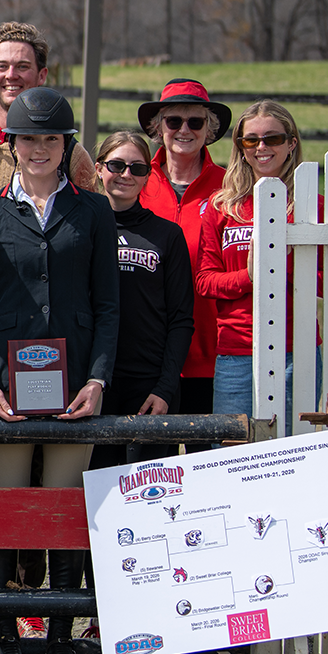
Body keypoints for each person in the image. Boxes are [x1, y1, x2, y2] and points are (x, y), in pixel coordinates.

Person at [0, 88, 119, 654]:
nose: (38, 148)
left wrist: (97, 379)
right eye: (28, 138)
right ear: (12, 143)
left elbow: (108, 306)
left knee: (62, 506)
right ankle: (5, 627)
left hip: (74, 381)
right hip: (6, 385)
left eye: (49, 139)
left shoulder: (94, 210)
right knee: (5, 507)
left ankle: (60, 627)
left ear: (65, 145)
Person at [196, 100, 315, 423]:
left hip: (297, 346)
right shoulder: (222, 206)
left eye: (273, 138)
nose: (262, 147)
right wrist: (250, 276)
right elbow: (205, 281)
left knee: (291, 452)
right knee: (232, 452)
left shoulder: (310, 205)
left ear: (291, 143)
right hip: (236, 350)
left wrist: (281, 265)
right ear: (241, 147)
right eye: (252, 140)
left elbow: (326, 280)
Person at [90, 130, 194, 470]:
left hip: (148, 385)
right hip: (93, 382)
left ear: (149, 174)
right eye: (117, 165)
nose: (126, 175)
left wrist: (165, 388)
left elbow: (181, 318)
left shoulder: (167, 234)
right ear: (98, 168)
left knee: (149, 492)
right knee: (92, 493)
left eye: (137, 168)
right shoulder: (78, 230)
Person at [136, 79, 232, 419]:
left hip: (211, 349)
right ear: (158, 128)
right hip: (147, 353)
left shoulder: (229, 186)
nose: (184, 130)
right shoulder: (136, 183)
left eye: (196, 121)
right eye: (173, 121)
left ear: (210, 129)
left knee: (208, 457)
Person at [0, 22, 97, 192]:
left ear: (42, 75)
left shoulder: (70, 154)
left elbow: (91, 213)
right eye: (2, 66)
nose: (11, 75)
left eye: (22, 66)